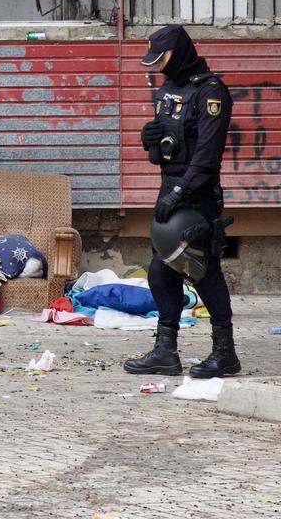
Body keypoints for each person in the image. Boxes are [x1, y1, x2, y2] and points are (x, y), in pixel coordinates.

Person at [124, 24, 240, 378]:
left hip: (197, 195)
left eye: (162, 59)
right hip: (170, 190)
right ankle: (165, 351)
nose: (158, 67)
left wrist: (179, 194)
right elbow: (163, 156)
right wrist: (152, 141)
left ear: (180, 52)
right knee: (161, 272)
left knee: (203, 272)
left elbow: (206, 158)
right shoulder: (170, 90)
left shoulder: (211, 93)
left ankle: (225, 353)